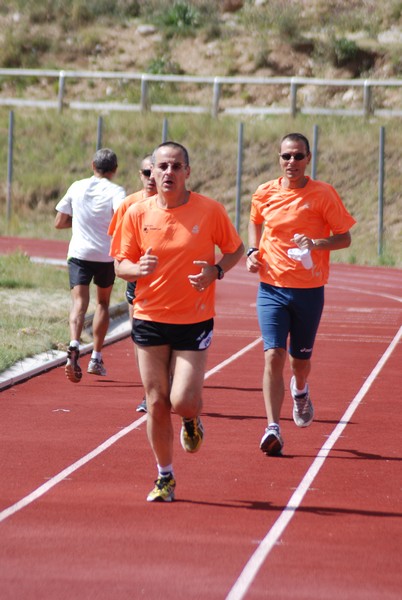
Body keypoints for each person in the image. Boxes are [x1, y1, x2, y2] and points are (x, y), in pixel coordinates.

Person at [112, 141, 244, 502]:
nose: (168, 172)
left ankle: (190, 419)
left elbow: (235, 249)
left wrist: (215, 271)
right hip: (149, 316)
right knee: (156, 401)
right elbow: (120, 263)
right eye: (162, 167)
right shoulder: (137, 214)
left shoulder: (209, 211)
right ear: (151, 173)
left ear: (187, 172)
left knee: (182, 399)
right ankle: (164, 476)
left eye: (176, 166)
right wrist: (135, 270)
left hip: (194, 318)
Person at [247, 132, 356, 457]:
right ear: (279, 159)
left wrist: (317, 244)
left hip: (309, 291)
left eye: (297, 156)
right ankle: (272, 426)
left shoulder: (323, 194)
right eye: (285, 157)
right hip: (271, 289)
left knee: (299, 362)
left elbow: (345, 238)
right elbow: (254, 221)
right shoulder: (264, 192)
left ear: (308, 158)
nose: (291, 162)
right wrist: (253, 251)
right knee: (273, 355)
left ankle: (301, 390)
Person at [55, 147, 126, 383]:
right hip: (105, 255)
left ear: (92, 166)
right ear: (114, 170)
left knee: (79, 303)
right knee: (103, 303)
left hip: (79, 253)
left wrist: (81, 223)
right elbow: (121, 219)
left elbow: (59, 221)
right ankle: (96, 356)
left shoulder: (77, 186)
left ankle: (74, 342)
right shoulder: (117, 191)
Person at [108, 154, 157, 412]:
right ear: (140, 175)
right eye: (145, 173)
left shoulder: (175, 203)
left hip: (168, 282)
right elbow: (119, 246)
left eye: (154, 172)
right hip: (137, 280)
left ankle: (163, 385)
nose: (151, 178)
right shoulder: (129, 204)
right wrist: (132, 267)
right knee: (139, 338)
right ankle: (148, 392)